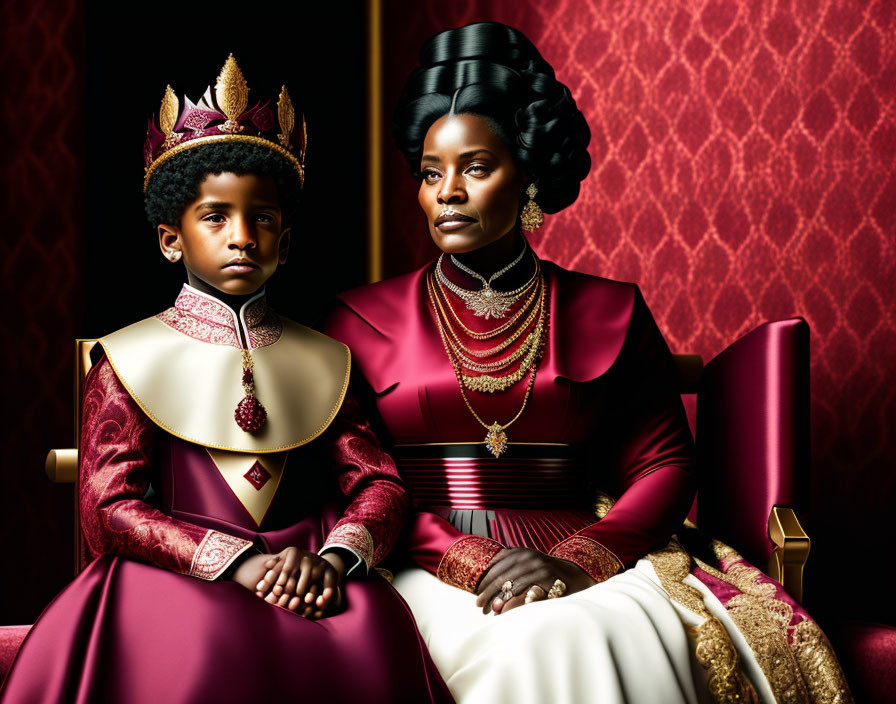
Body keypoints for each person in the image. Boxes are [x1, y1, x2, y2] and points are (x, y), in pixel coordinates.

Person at [324, 22, 851, 704]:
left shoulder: (610, 309)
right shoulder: (357, 318)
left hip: (587, 548)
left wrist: (577, 563)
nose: (447, 191)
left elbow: (664, 464)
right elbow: (357, 481)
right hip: (417, 555)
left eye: (476, 168)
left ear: (530, 177)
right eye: (431, 174)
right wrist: (467, 558)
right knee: (523, 645)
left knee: (591, 634)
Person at [0, 56, 451, 704]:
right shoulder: (127, 359)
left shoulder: (327, 359)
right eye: (215, 216)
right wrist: (238, 563)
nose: (242, 237)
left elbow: (377, 484)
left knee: (366, 630)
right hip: (176, 577)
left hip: (308, 570)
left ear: (285, 242)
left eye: (262, 218)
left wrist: (331, 560)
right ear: (169, 240)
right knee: (198, 652)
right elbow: (110, 510)